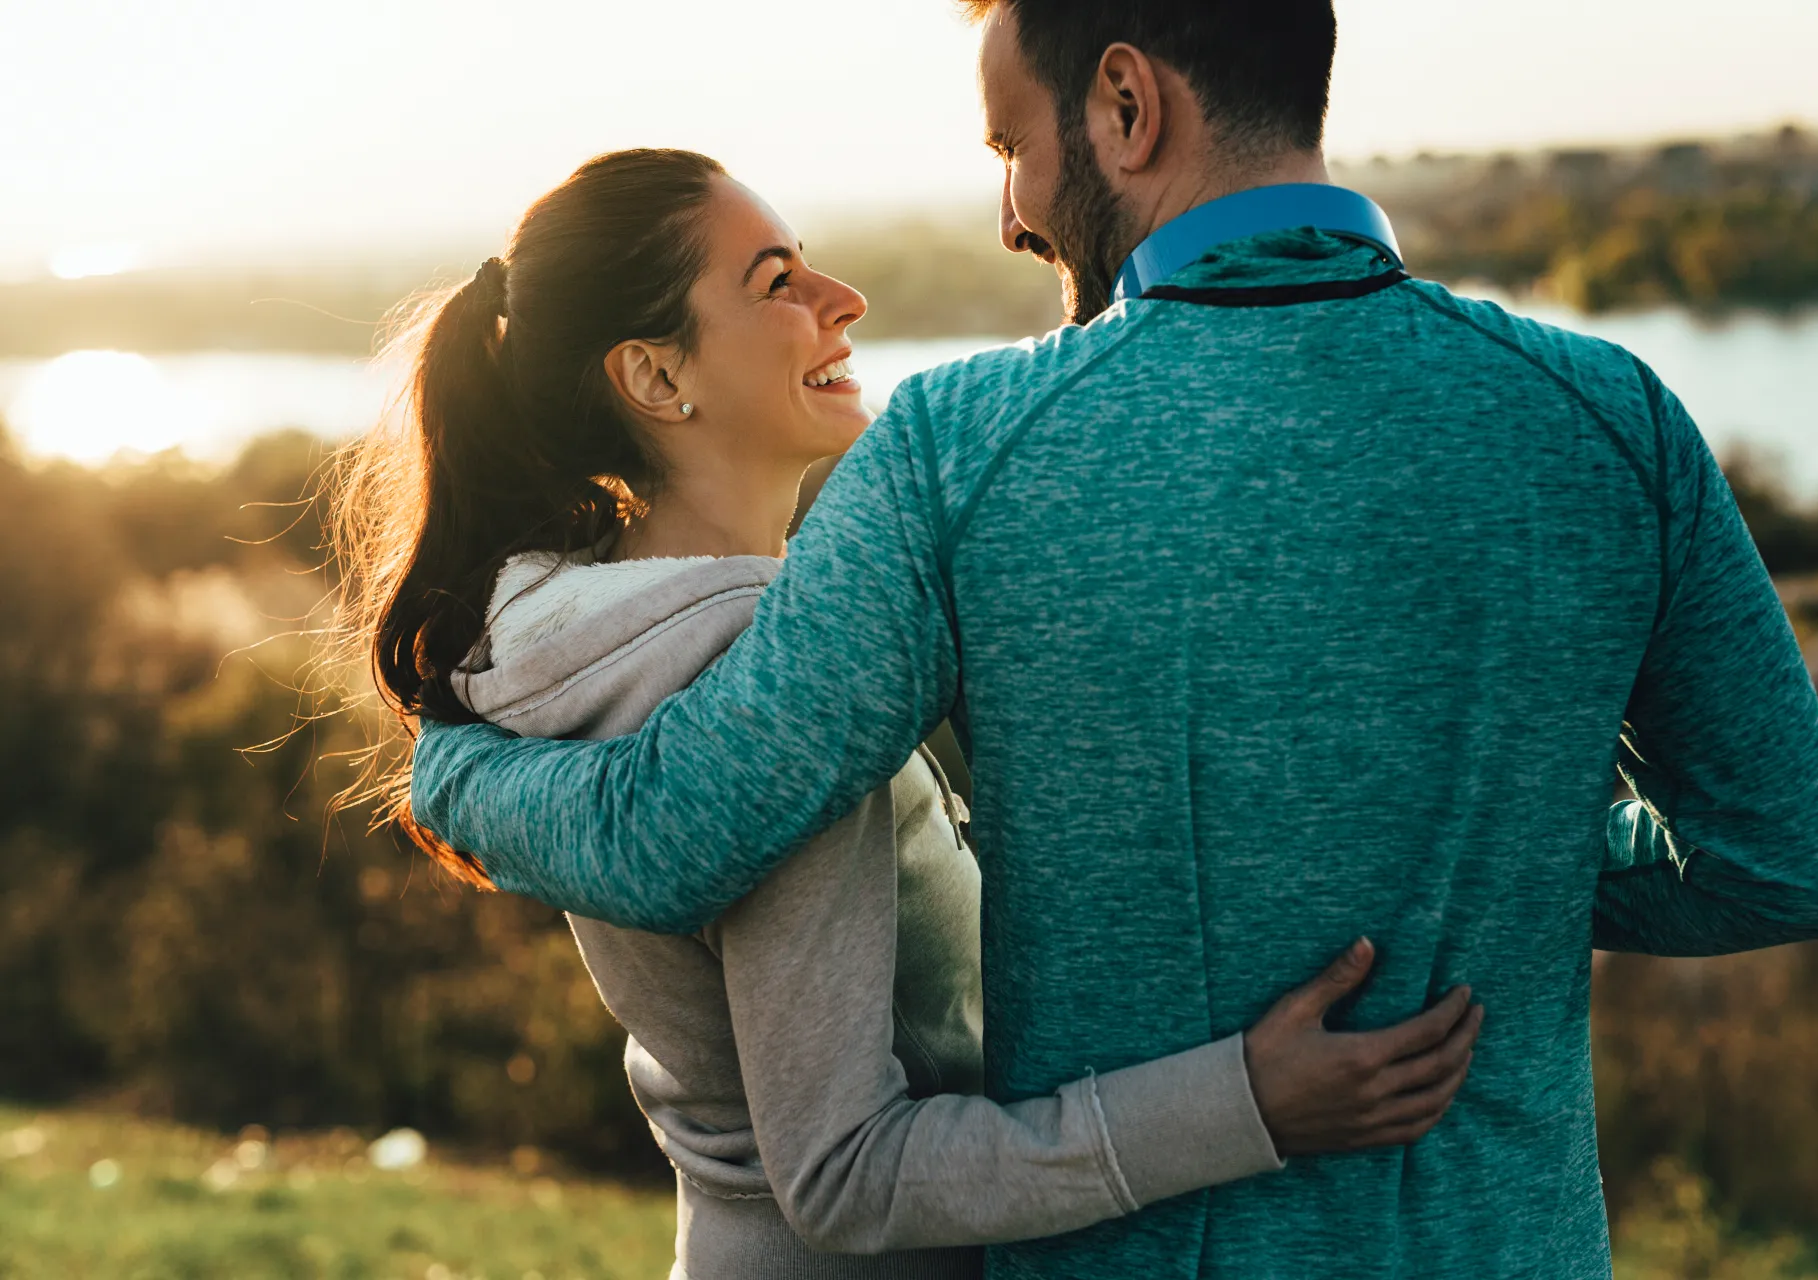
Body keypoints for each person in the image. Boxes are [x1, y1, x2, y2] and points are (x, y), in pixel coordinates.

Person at [407, 3, 1818, 1276]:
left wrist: (458, 782)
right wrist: (1492, 847)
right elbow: (1787, 863)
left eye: (1010, 147)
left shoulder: (959, 456)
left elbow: (683, 826)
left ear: (1125, 104)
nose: (1011, 214)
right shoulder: (1611, 422)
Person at [329, 147, 1485, 1280]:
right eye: (776, 282)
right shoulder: (752, 688)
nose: (846, 299)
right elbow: (845, 1172)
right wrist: (1246, 1099)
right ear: (654, 377)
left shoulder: (578, 633)